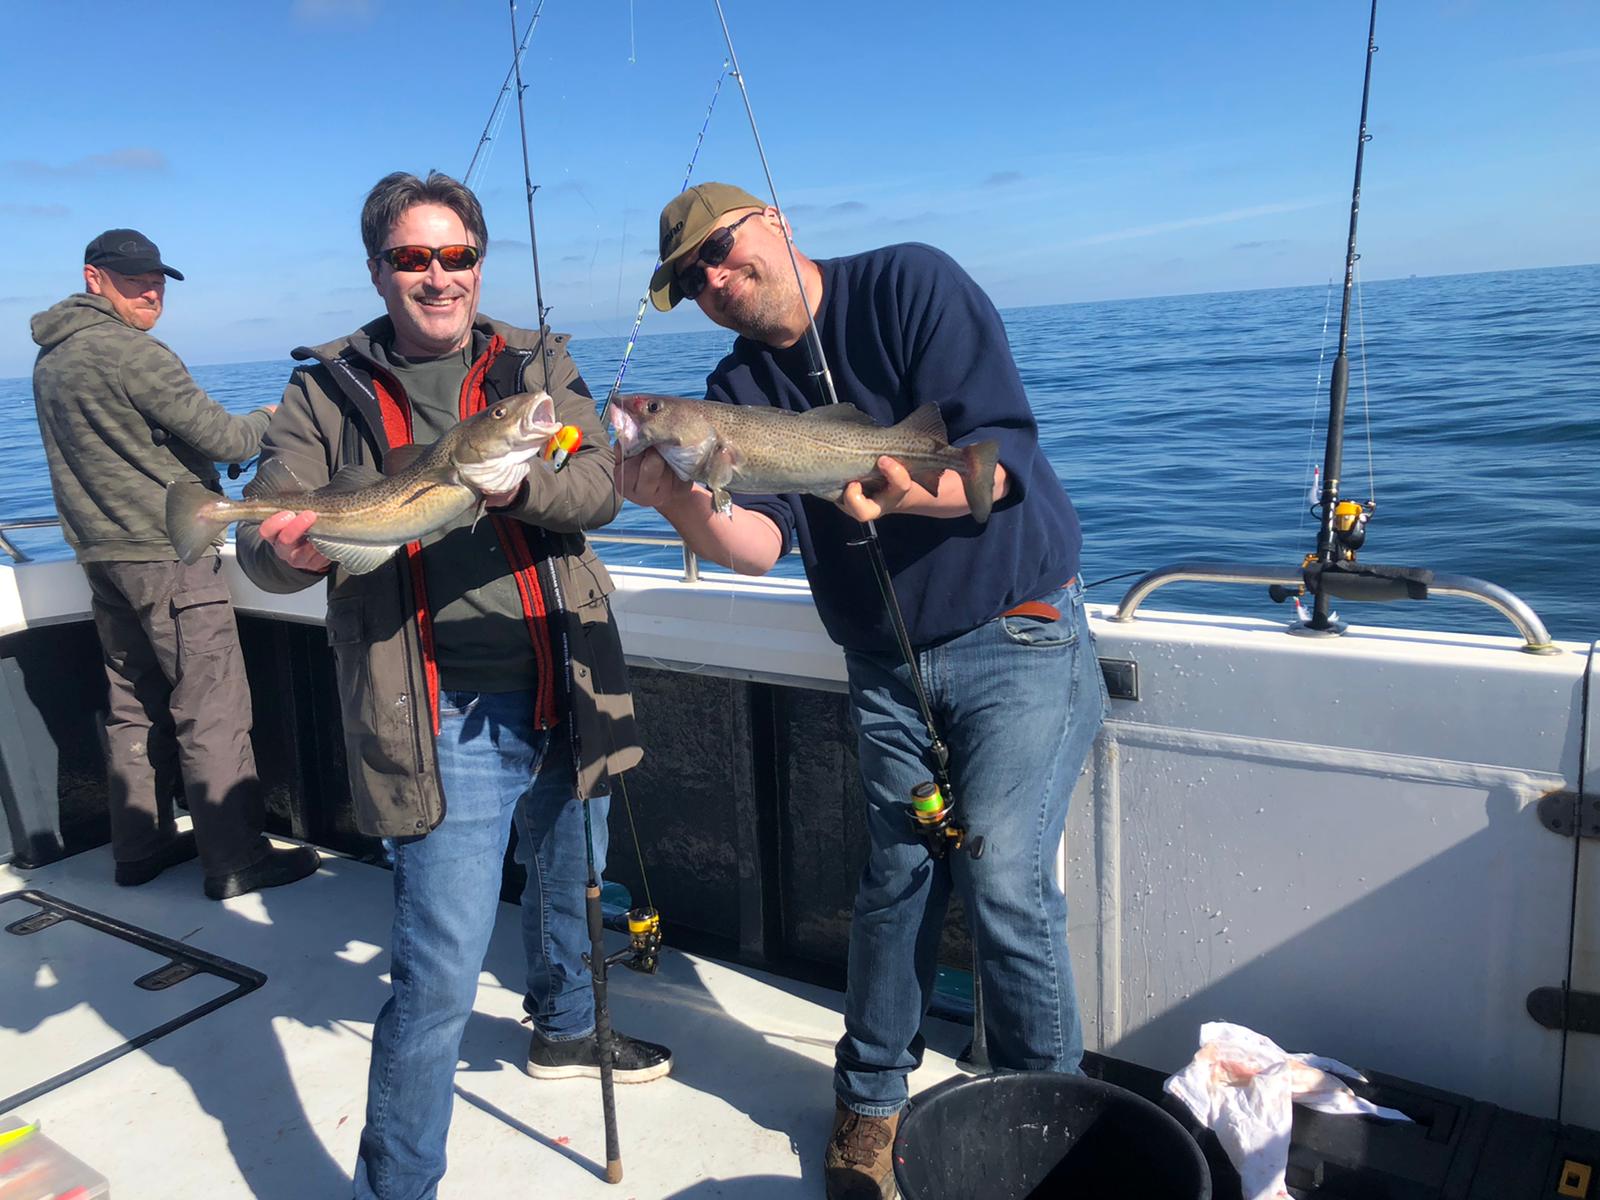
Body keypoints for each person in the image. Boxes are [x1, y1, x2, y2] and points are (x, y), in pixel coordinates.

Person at [625, 183, 1108, 1200]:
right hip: (886, 667)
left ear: (775, 220)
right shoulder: (733, 386)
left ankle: (1050, 1119)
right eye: (691, 279)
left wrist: (909, 490)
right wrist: (674, 500)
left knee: (1004, 876)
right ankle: (870, 1105)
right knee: (895, 877)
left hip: (1017, 634)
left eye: (720, 248)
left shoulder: (908, 284)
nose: (714, 279)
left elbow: (1002, 459)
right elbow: (758, 544)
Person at [235, 171, 665, 1200]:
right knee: (436, 975)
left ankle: (565, 1029)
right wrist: (285, 554)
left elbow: (598, 485)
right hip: (439, 718)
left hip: (570, 683)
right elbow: (264, 533)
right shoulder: (323, 392)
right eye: (413, 257)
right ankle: (398, 1185)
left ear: (479, 261)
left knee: (573, 884)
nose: (439, 276)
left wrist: (525, 482)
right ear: (378, 269)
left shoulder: (533, 365)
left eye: (457, 255)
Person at [30, 229, 321, 900]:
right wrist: (271, 416)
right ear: (94, 278)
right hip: (169, 555)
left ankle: (140, 847)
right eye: (135, 281)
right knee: (210, 704)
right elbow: (226, 439)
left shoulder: (52, 358)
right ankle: (236, 858)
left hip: (101, 556)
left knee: (132, 705)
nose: (151, 293)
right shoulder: (133, 352)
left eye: (157, 281)